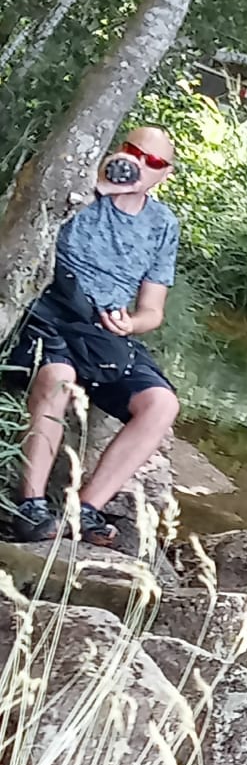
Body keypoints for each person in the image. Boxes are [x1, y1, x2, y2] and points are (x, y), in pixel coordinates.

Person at [7, 124, 182, 546]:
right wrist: (100, 185)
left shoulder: (162, 224)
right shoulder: (80, 188)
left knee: (161, 404)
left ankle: (84, 510)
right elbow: (26, 219)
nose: (138, 164)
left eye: (152, 161)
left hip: (104, 332)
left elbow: (153, 311)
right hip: (50, 310)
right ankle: (31, 506)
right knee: (58, 378)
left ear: (165, 173)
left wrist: (130, 324)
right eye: (132, 151)